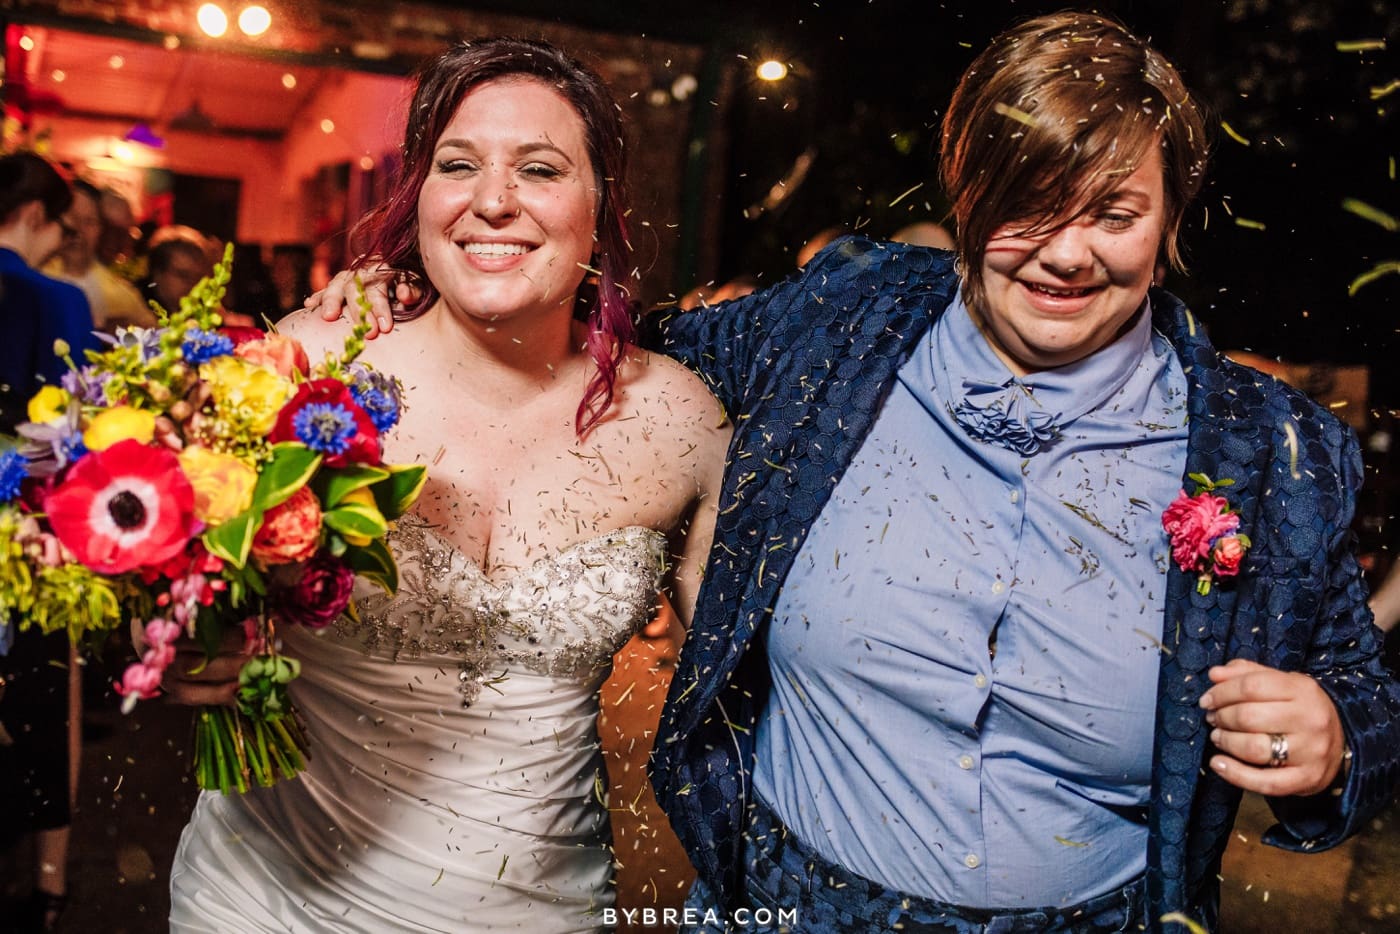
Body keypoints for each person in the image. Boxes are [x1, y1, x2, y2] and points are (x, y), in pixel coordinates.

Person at [318, 12, 1400, 932]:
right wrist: (418, 308)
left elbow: (1363, 702)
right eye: (1026, 203)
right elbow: (613, 351)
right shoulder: (842, 322)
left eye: (1111, 214)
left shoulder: (1273, 452)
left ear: (1168, 221)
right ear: (965, 196)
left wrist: (1335, 742)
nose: (1066, 254)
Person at [165, 37, 729, 933]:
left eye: (539, 169)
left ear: (600, 206)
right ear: (420, 195)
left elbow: (756, 688)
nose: (491, 201)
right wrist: (185, 652)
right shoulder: (313, 372)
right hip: (264, 900)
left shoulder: (682, 424)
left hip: (539, 908)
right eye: (457, 164)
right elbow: (172, 591)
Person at [0, 151, 103, 933]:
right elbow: (70, 434)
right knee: (46, 707)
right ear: (35, 214)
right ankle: (47, 883)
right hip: (24, 537)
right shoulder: (56, 300)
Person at [43, 179, 156, 333]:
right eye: (71, 218)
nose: (78, 231)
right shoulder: (35, 274)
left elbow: (155, 337)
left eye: (89, 222)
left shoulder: (123, 296)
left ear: (102, 229)